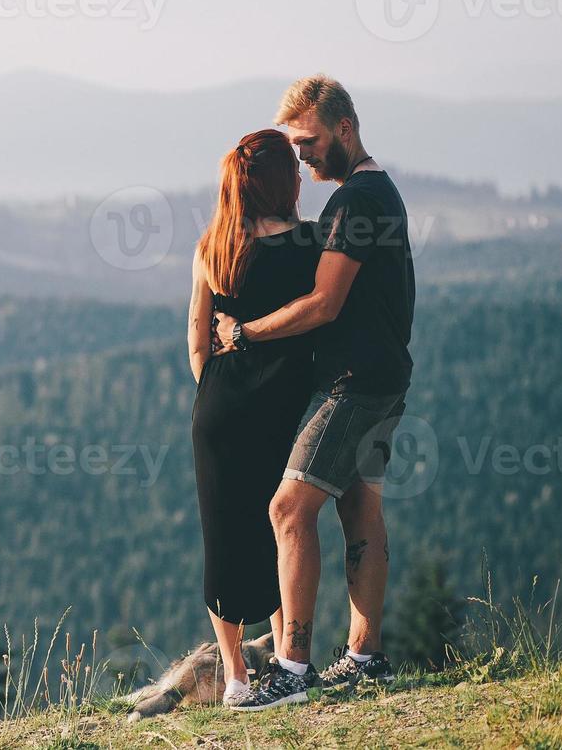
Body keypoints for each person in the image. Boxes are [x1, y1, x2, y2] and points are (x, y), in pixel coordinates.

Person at [216, 75, 415, 710]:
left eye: (308, 142)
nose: (300, 155)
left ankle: (293, 671)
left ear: (344, 131)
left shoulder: (356, 201)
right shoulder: (379, 191)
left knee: (287, 510)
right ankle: (363, 658)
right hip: (385, 376)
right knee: (361, 512)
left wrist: (245, 333)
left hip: (354, 384)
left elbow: (325, 304)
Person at [187, 127, 322, 707]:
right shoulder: (312, 244)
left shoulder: (214, 245)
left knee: (223, 535)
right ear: (278, 182)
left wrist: (217, 389)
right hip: (281, 409)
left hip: (218, 409)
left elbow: (197, 339)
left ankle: (237, 676)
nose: (300, 176)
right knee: (280, 530)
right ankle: (286, 661)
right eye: (293, 168)